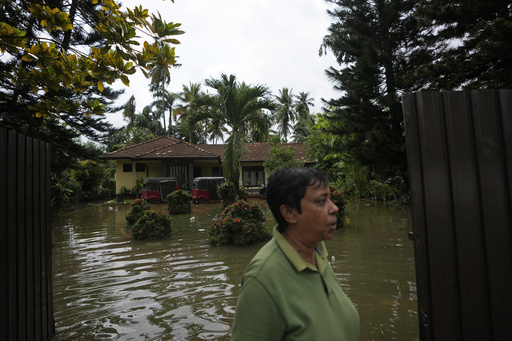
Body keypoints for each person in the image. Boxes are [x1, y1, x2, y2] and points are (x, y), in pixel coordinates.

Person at [231, 168, 360, 340]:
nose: (334, 208)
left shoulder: (318, 254)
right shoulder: (262, 278)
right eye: (321, 202)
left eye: (330, 199)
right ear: (289, 213)